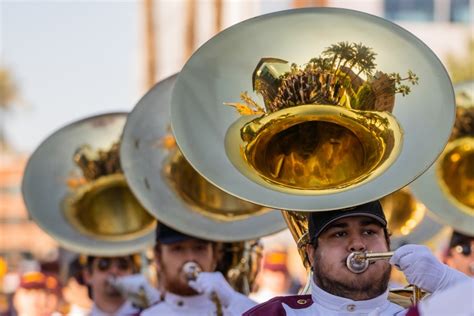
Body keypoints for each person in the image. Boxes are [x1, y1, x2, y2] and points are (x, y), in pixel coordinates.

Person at [244, 200, 469, 315]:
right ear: (312, 254)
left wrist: (449, 282)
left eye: (369, 232)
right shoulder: (276, 313)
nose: (358, 244)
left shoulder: (419, 312)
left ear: (387, 245)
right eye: (340, 234)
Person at [141, 223, 257, 315]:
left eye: (199, 248)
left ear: (215, 255)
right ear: (158, 257)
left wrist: (233, 300)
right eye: (177, 249)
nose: (190, 258)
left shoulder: (237, 308)